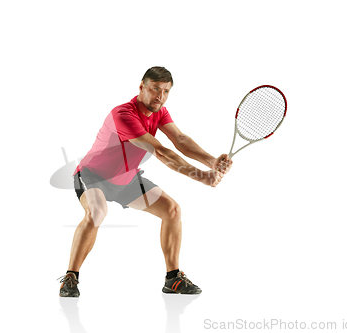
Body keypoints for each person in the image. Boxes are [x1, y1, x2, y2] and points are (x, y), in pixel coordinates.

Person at [58, 66, 233, 297]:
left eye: (166, 91)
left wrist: (211, 162)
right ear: (142, 87)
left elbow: (179, 139)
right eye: (155, 89)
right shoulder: (123, 114)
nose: (160, 96)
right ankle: (71, 277)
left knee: (172, 210)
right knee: (97, 212)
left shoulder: (159, 111)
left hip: (127, 179)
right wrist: (200, 176)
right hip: (93, 176)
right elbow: (160, 152)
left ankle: (173, 279)